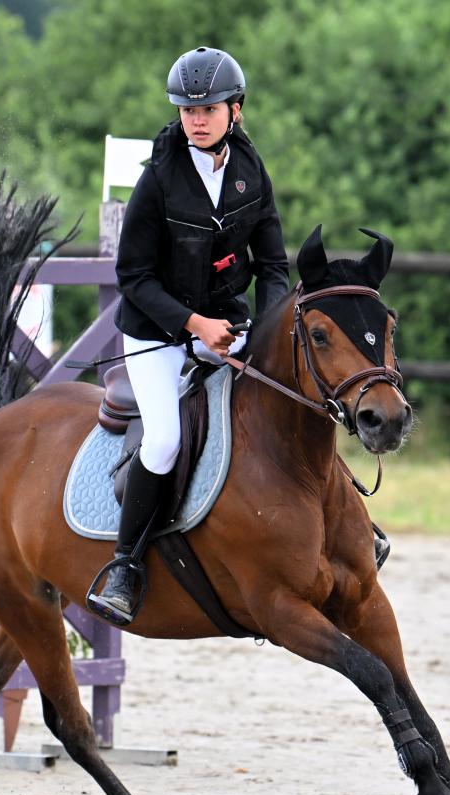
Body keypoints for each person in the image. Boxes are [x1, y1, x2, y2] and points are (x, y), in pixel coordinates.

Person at [87, 46, 291, 626]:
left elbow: (274, 265)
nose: (196, 119)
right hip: (157, 335)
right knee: (165, 441)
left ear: (236, 110)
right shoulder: (158, 181)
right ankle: (125, 566)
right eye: (186, 110)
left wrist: (270, 332)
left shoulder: (252, 172)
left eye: (208, 109)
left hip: (225, 326)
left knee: (284, 403)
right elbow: (134, 277)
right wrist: (193, 324)